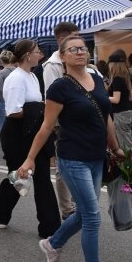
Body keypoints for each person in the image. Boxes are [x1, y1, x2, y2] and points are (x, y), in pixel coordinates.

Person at [18, 35, 124, 262]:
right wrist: (30, 158)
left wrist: (116, 147)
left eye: (83, 48)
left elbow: (107, 117)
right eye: (73, 49)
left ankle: (52, 244)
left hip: (97, 156)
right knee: (92, 215)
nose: (80, 52)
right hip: (72, 157)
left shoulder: (97, 79)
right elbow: (46, 127)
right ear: (62, 57)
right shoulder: (59, 88)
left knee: (84, 213)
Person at [0, 40, 60, 237]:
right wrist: (41, 108)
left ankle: (50, 227)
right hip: (18, 135)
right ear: (28, 55)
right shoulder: (16, 78)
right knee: (18, 176)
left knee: (43, 178)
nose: (41, 54)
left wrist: (41, 109)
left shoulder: (32, 76)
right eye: (38, 51)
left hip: (35, 132)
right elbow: (13, 112)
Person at [42, 21, 82, 219]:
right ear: (61, 39)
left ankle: (77, 202)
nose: (79, 40)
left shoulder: (79, 60)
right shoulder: (52, 65)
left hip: (79, 121)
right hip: (62, 123)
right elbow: (53, 97)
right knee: (63, 167)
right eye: (75, 35)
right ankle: (67, 209)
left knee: (78, 163)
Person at [107, 50, 132, 150]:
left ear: (113, 64)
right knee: (128, 139)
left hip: (121, 113)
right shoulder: (127, 76)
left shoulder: (117, 78)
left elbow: (116, 99)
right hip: (129, 111)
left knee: (124, 143)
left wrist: (103, 96)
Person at [0, 50, 15, 134]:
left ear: (1, 60)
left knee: (3, 126)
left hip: (4, 101)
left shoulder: (1, 73)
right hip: (16, 101)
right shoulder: (18, 71)